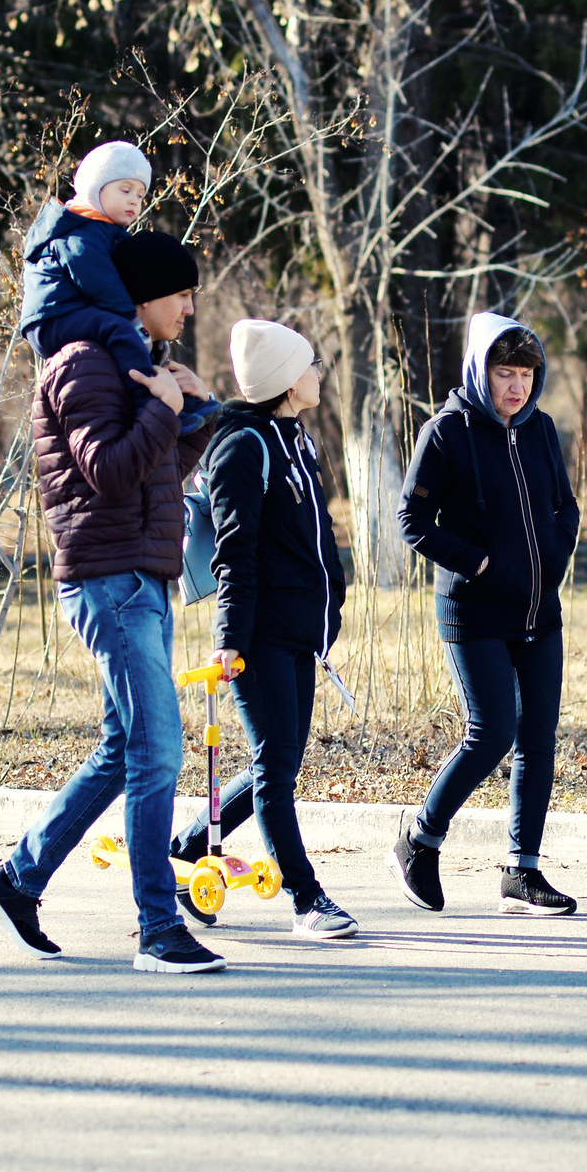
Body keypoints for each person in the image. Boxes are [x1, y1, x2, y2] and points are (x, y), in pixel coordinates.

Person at [0, 231, 227, 973]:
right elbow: (109, 472)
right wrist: (163, 408)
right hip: (108, 580)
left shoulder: (134, 362)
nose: (189, 305)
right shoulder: (82, 363)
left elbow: (154, 476)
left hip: (137, 576)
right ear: (141, 296)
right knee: (157, 748)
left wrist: (193, 416)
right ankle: (157, 927)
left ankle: (19, 879)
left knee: (124, 749)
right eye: (180, 292)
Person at [169, 319, 356, 941]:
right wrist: (229, 640)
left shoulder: (293, 437)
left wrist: (328, 615)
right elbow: (234, 554)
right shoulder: (244, 448)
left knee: (280, 764)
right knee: (276, 769)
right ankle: (308, 899)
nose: (319, 373)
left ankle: (192, 845)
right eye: (309, 365)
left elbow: (317, 537)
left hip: (300, 632)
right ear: (283, 380)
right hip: (261, 635)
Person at [391, 312, 582, 917]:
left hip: (537, 610)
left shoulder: (542, 429)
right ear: (480, 370)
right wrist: (475, 564)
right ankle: (420, 840)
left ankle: (520, 873)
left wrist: (555, 555)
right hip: (472, 610)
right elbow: (411, 521)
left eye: (526, 374)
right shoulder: (445, 432)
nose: (517, 387)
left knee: (538, 738)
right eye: (505, 372)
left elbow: (564, 505)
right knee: (492, 731)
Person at [16, 141, 158, 384]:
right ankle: (144, 394)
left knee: (123, 332)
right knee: (119, 329)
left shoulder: (102, 230)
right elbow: (98, 279)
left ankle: (157, 377)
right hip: (53, 317)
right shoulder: (78, 231)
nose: (134, 200)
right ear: (94, 187)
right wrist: (130, 316)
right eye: (125, 190)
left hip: (74, 312)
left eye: (140, 194)